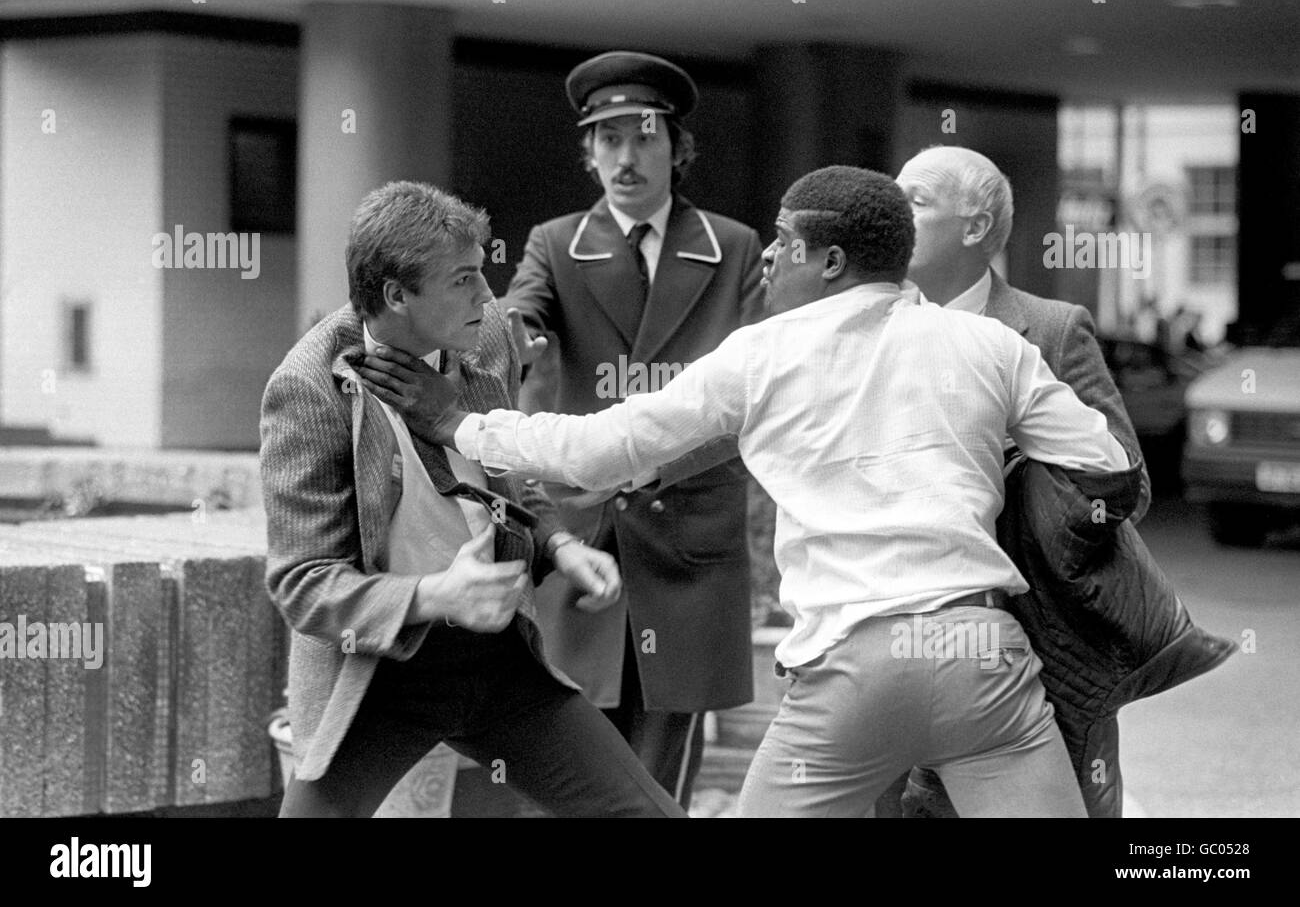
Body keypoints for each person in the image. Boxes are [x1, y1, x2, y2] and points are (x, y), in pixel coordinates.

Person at [376, 166, 1135, 817]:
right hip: (984, 663)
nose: (769, 254)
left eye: (788, 242)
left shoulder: (762, 356)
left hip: (851, 676)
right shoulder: (990, 345)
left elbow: (594, 454)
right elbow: (1106, 464)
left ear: (832, 261)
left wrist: (456, 422)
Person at [259, 181, 683, 818]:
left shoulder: (485, 341)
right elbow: (302, 583)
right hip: (378, 672)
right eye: (463, 279)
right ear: (397, 295)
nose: (487, 295)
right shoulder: (308, 386)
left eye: (482, 272)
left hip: (499, 660)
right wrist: (435, 595)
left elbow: (504, 479)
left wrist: (558, 545)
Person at [497, 50, 765, 807]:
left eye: (644, 137)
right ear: (589, 155)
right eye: (608, 138)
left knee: (656, 780)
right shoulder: (554, 244)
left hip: (688, 541)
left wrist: (654, 465)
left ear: (676, 150)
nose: (626, 156)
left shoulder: (735, 248)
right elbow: (517, 315)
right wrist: (511, 342)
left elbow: (756, 393)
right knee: (556, 760)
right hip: (582, 539)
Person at [884, 145, 1151, 817]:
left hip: (1032, 647)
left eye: (915, 200)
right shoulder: (867, 326)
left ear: (975, 227)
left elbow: (1128, 483)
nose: (893, 211)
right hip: (885, 646)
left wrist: (1012, 461)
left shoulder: (1053, 330)